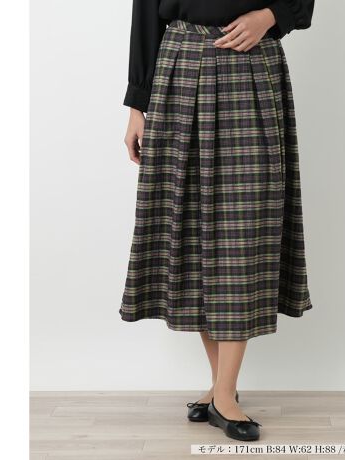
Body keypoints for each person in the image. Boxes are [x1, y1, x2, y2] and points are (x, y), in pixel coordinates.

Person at [120, 0, 315, 441]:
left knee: (242, 232)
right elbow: (145, 11)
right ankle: (221, 391)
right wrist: (137, 104)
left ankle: (223, 394)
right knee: (191, 227)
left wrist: (272, 16)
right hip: (178, 69)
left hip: (251, 65)